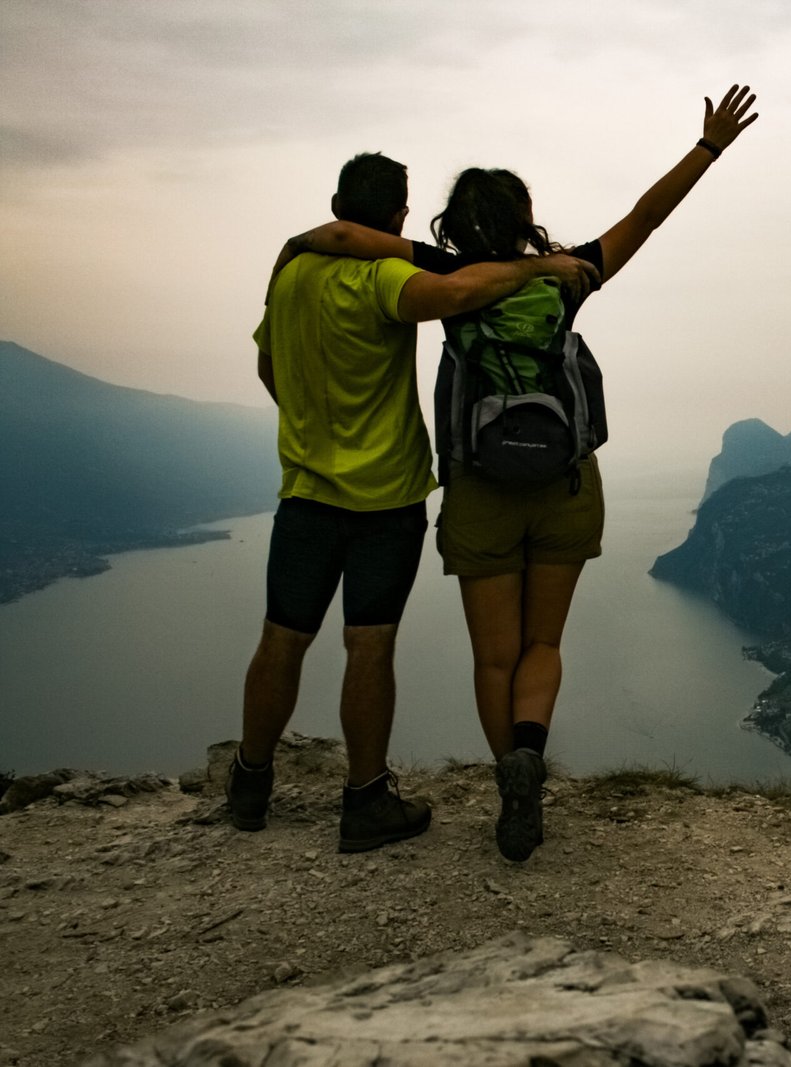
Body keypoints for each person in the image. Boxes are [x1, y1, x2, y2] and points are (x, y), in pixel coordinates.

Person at [282, 86, 760, 861]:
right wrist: (708, 148)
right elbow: (646, 215)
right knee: (543, 644)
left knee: (494, 655)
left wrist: (297, 246)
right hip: (566, 485)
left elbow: (346, 233)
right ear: (522, 215)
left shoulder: (449, 277)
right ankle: (531, 760)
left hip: (480, 489)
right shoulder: (566, 277)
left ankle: (512, 778)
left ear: (454, 224)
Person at [229, 151, 600, 853]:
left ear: (337, 200)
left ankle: (250, 782)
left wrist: (307, 423)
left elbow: (267, 364)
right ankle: (365, 798)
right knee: (368, 644)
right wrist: (540, 266)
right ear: (399, 214)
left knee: (282, 635)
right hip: (386, 497)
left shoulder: (290, 279)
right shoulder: (388, 280)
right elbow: (462, 294)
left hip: (305, 490)